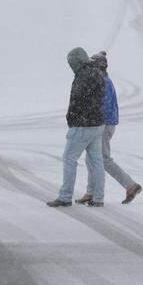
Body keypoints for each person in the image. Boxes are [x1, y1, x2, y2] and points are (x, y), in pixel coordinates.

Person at [79, 51, 143, 205]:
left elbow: (104, 106)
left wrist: (94, 121)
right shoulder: (103, 79)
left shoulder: (102, 82)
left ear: (97, 66)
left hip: (104, 124)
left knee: (103, 159)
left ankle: (130, 185)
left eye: (92, 64)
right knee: (91, 158)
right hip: (106, 123)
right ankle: (90, 192)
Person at [47, 47, 106, 208]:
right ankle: (99, 198)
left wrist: (72, 119)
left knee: (69, 158)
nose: (70, 65)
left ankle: (65, 197)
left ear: (77, 61)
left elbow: (77, 100)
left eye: (71, 62)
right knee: (97, 161)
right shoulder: (98, 73)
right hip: (98, 124)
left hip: (83, 125)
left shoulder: (83, 76)